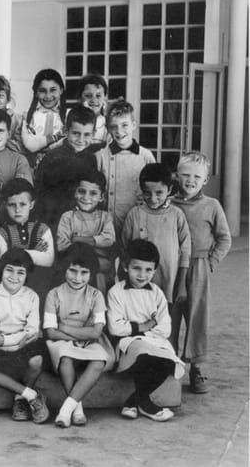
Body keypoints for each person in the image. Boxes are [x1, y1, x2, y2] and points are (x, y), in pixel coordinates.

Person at [171, 152, 232, 394]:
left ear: (205, 180)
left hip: (198, 267)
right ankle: (169, 364)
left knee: (197, 318)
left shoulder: (212, 206)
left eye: (197, 177)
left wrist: (210, 263)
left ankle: (196, 368)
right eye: (185, 175)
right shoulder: (169, 203)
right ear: (177, 176)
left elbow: (224, 239)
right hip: (172, 267)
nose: (190, 180)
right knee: (170, 315)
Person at [107, 239, 185, 422]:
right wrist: (143, 327)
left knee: (168, 363)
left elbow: (164, 328)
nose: (142, 275)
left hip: (155, 341)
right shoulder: (116, 292)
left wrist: (138, 331)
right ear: (125, 267)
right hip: (129, 343)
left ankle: (133, 402)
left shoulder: (157, 293)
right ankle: (147, 405)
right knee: (143, 355)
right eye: (137, 268)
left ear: (154, 270)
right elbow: (115, 327)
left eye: (148, 270)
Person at [43, 243, 115, 428]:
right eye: (72, 271)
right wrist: (81, 335)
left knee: (99, 361)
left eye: (84, 273)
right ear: (64, 269)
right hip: (61, 342)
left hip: (88, 342)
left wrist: (64, 326)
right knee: (65, 358)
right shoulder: (54, 294)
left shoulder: (96, 295)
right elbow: (51, 332)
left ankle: (66, 409)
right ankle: (77, 409)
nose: (77, 278)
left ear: (91, 274)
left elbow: (96, 332)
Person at [0, 248, 49, 424]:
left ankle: (19, 399)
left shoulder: (32, 296)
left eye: (20, 272)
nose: (14, 277)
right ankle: (31, 395)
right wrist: (15, 340)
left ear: (26, 275)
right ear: (1, 270)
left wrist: (7, 340)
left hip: (23, 346)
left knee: (37, 360)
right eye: (9, 270)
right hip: (0, 349)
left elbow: (32, 331)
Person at [121, 163, 191, 311]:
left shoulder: (176, 215)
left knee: (166, 316)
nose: (153, 198)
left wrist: (182, 285)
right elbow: (124, 248)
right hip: (138, 282)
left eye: (159, 192)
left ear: (169, 190)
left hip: (168, 280)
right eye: (147, 193)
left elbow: (185, 251)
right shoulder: (134, 214)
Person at [95, 99, 156, 233]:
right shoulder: (100, 157)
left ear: (133, 125)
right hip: (108, 225)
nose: (119, 131)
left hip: (138, 224)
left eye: (124, 125)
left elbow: (156, 188)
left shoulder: (145, 156)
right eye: (114, 126)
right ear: (107, 129)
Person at [35, 105, 99, 229]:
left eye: (87, 134)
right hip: (54, 217)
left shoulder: (92, 159)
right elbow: (41, 190)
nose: (80, 140)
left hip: (81, 219)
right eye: (76, 133)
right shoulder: (52, 157)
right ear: (65, 130)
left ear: (94, 134)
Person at [0, 178, 55, 302]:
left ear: (31, 205)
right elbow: (4, 260)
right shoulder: (1, 231)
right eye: (12, 205)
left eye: (22, 204)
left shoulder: (42, 229)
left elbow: (48, 260)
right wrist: (34, 253)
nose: (17, 210)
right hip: (12, 284)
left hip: (38, 285)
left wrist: (15, 252)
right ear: (5, 205)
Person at [57, 171, 116, 292]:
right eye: (82, 191)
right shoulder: (68, 217)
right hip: (76, 266)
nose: (86, 197)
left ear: (101, 197)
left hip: (99, 270)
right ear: (75, 192)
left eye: (93, 193)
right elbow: (61, 245)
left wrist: (79, 239)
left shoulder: (105, 217)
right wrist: (90, 251)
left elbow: (109, 239)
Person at [20, 69, 67, 168]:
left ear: (61, 90)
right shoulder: (28, 116)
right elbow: (29, 145)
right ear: (36, 92)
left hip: (62, 166)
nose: (48, 96)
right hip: (34, 167)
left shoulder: (68, 116)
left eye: (53, 90)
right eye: (42, 91)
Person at [77, 73, 109, 146]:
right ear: (80, 97)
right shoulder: (73, 119)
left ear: (105, 97)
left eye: (98, 96)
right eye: (88, 96)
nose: (94, 100)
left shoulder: (107, 122)